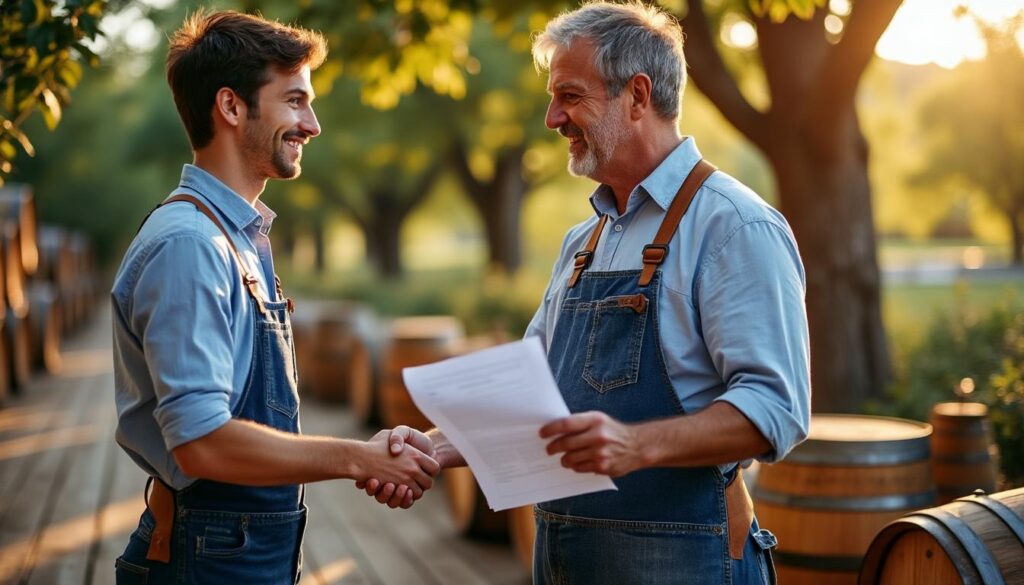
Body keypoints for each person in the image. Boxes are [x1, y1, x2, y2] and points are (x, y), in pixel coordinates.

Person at [364, 2, 810, 583]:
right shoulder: (584, 242)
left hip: (685, 562)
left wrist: (635, 444)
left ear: (638, 95)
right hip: (563, 558)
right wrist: (431, 446)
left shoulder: (734, 226)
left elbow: (777, 408)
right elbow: (533, 398)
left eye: (570, 96)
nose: (552, 118)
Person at [110, 11, 438, 584]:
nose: (312, 124)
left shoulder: (232, 237)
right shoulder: (192, 246)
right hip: (205, 556)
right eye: (294, 101)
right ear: (232, 107)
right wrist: (358, 456)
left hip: (236, 547)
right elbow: (201, 442)